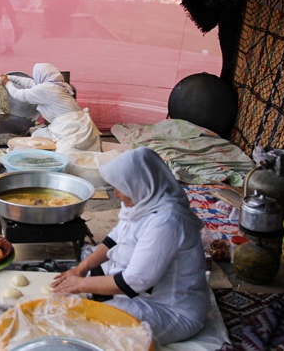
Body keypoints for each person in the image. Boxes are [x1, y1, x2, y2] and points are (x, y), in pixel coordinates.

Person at [51, 147, 209, 345]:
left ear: (139, 184)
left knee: (89, 328)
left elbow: (134, 281)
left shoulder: (167, 222)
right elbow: (113, 240)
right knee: (86, 287)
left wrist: (80, 284)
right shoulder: (142, 203)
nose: (116, 193)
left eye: (120, 187)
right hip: (145, 289)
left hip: (171, 309)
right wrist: (80, 270)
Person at [0, 63, 102, 153]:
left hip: (71, 127)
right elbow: (30, 82)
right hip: (79, 123)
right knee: (38, 135)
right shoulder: (59, 85)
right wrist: (9, 77)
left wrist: (6, 83)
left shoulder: (47, 89)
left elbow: (17, 94)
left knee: (56, 148)